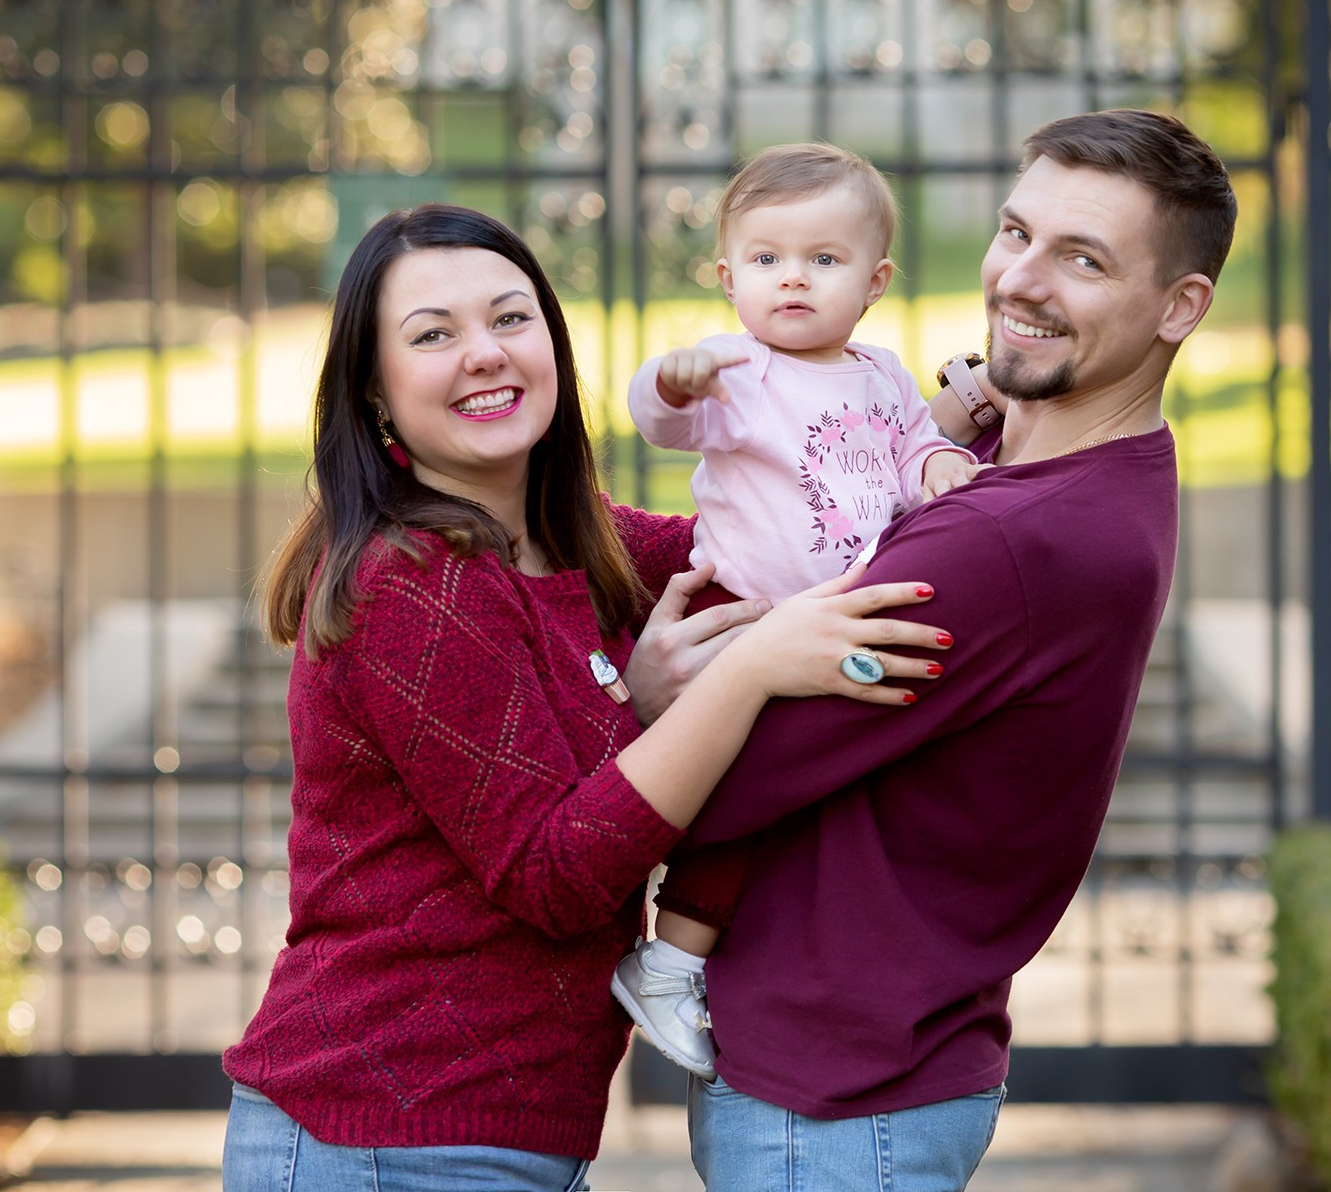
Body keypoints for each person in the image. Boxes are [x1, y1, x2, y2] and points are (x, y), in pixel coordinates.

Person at [216, 204, 955, 1191]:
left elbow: (786, 552)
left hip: (489, 1135)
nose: (483, 353)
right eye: (432, 334)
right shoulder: (409, 581)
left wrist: (948, 432)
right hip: (385, 1134)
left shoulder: (574, 541)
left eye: (510, 319)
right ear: (375, 393)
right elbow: (553, 875)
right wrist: (717, 683)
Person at [664, 109, 1237, 1191]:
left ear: (1178, 305)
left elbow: (712, 782)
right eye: (1014, 232)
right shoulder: (1009, 462)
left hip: (831, 1110)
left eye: (1080, 258)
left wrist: (653, 683)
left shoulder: (1008, 541)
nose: (1019, 280)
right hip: (874, 1073)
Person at [613, 142, 978, 1078]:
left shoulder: (885, 375)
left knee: (812, 800)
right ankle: (669, 959)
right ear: (730, 277)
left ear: (875, 280)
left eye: (824, 260)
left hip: (831, 619)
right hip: (750, 614)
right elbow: (658, 418)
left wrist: (934, 462)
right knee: (746, 787)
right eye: (768, 261)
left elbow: (906, 452)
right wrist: (673, 381)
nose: (793, 281)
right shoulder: (738, 373)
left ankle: (757, 955)